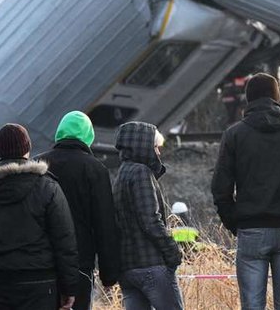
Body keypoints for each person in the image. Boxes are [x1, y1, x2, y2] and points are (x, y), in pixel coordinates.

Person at [212, 73, 280, 310]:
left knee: (252, 305)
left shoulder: (234, 135)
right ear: (277, 97)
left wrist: (235, 222)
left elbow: (221, 188)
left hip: (251, 228)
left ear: (248, 98)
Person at [0, 123, 78, 310]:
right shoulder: (47, 187)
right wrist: (68, 287)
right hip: (43, 283)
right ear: (27, 148)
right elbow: (65, 241)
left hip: (3, 284)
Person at [38, 110, 120, 310]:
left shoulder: (38, 164)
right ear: (88, 135)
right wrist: (109, 275)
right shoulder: (95, 169)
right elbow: (104, 224)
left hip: (40, 262)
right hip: (79, 265)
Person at [113, 121, 184, 310]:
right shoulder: (141, 172)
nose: (158, 153)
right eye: (155, 147)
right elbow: (151, 220)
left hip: (127, 267)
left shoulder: (121, 174)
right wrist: (172, 252)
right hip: (151, 264)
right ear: (143, 147)